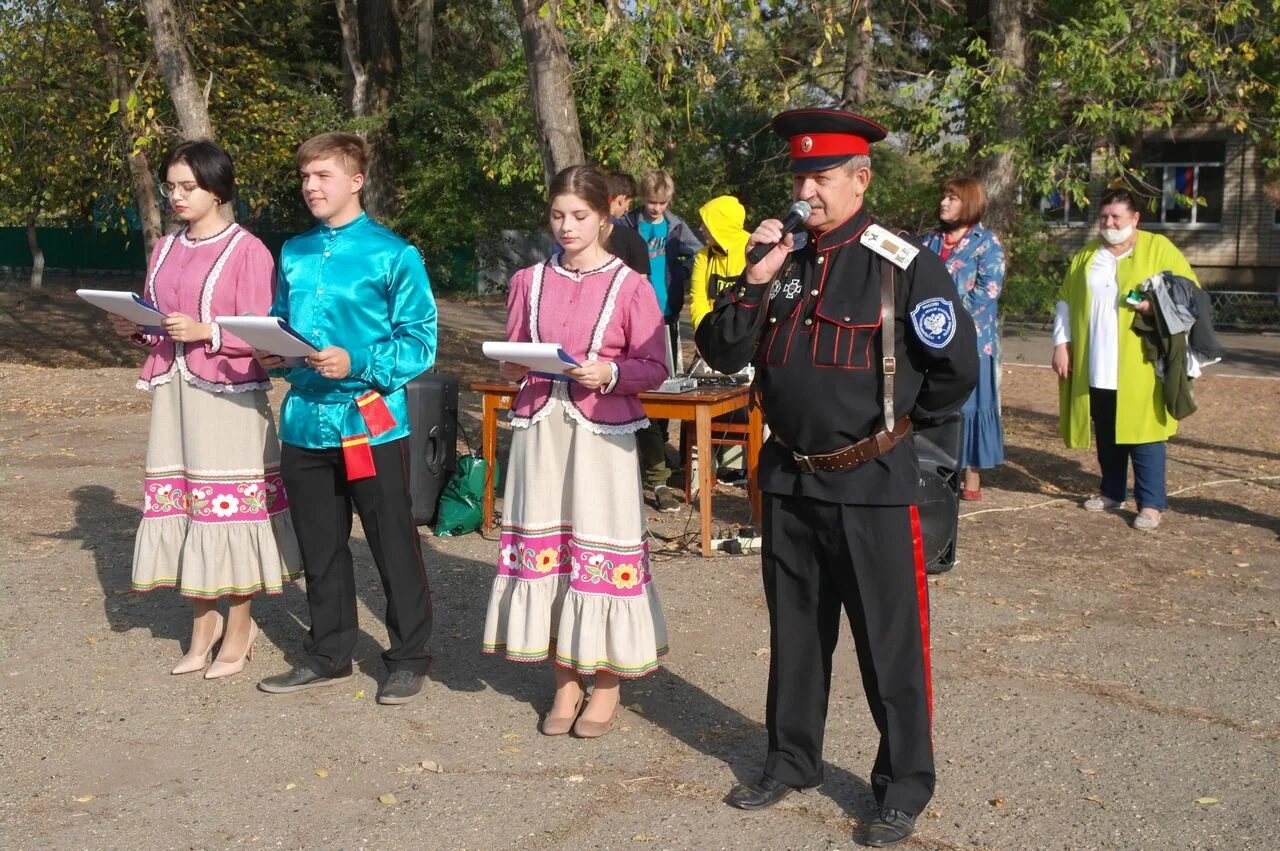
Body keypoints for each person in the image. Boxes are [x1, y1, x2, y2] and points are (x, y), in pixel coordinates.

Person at [696, 107, 977, 848]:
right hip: (787, 476)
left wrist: (889, 434)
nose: (806, 191)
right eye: (799, 176)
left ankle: (903, 786)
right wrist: (753, 275)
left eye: (820, 177)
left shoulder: (903, 263)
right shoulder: (780, 258)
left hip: (872, 481)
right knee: (795, 636)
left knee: (891, 643)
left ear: (860, 178)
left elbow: (955, 372)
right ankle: (792, 759)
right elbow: (722, 352)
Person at [483, 164, 669, 739]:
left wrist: (609, 371)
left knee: (598, 551)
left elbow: (656, 369)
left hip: (600, 437)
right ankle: (564, 683)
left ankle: (606, 685)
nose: (566, 226)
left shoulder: (632, 285)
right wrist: (513, 363)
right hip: (541, 431)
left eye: (579, 216)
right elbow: (517, 352)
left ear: (606, 215)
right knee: (553, 551)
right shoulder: (527, 282)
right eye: (558, 215)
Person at [255, 132, 438, 704]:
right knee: (319, 545)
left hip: (370, 423)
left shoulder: (394, 254)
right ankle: (329, 652)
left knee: (391, 542)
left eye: (323, 176)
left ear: (355, 181)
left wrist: (356, 360)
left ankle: (408, 657)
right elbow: (280, 321)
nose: (310, 187)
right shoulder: (294, 251)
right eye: (305, 177)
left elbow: (421, 342)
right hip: (305, 421)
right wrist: (271, 351)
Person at [109, 140, 301, 679]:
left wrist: (207, 331)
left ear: (217, 188)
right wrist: (135, 329)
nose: (176, 196)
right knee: (190, 505)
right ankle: (203, 625)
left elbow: (265, 332)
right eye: (171, 186)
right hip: (174, 395)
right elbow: (156, 323)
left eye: (187, 187)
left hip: (230, 398)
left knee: (228, 509)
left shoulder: (248, 250)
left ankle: (239, 628)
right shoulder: (165, 249)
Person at [1052, 187, 1197, 531]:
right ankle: (1112, 491)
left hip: (1141, 362)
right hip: (1097, 357)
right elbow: (1065, 301)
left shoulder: (1157, 248)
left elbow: (1189, 290)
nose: (1109, 223)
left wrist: (1153, 305)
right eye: (1104, 216)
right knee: (1107, 428)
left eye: (1116, 217)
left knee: (1145, 432)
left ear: (1135, 219)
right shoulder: (1088, 255)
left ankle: (1150, 504)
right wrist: (1062, 344)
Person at [620, 168, 703, 511]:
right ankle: (653, 471)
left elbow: (699, 252)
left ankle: (661, 461)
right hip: (633, 315)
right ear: (642, 197)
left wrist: (682, 273)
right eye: (652, 202)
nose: (656, 208)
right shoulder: (627, 224)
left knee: (667, 389)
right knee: (639, 390)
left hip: (666, 315)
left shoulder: (675, 226)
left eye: (663, 202)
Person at [920, 177, 1007, 500]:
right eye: (944, 196)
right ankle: (938, 469)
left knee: (970, 405)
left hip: (972, 341)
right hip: (928, 340)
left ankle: (972, 474)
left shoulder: (986, 243)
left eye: (953, 198)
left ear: (969, 202)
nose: (944, 202)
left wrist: (948, 315)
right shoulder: (929, 241)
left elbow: (989, 291)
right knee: (936, 403)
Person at [603, 172, 650, 277]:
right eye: (629, 203)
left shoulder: (584, 230)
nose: (627, 209)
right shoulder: (632, 239)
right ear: (621, 199)